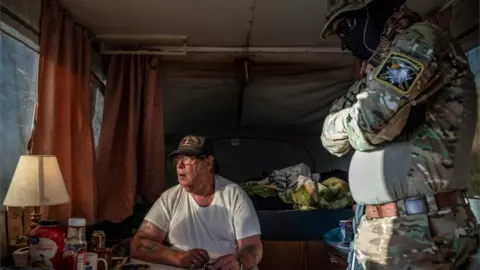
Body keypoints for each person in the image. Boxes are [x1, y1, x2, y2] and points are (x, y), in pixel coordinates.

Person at [320, 0, 479, 269]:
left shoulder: (420, 40)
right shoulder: (377, 72)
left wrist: (360, 123)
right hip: (390, 230)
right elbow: (328, 137)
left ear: (372, 11)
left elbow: (372, 121)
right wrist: (361, 118)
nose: (345, 45)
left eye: (346, 28)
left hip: (420, 228)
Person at [130, 135, 263, 270]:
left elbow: (252, 247)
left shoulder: (235, 195)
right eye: (178, 159)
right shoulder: (169, 198)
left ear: (208, 162)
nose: (179, 165)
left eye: (188, 159)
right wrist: (179, 257)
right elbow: (139, 243)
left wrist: (239, 263)